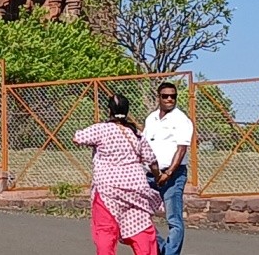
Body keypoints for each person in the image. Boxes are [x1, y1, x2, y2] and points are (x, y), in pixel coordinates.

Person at [75, 94, 163, 255]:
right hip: (136, 187)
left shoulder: (101, 129)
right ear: (127, 111)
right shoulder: (136, 134)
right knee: (141, 228)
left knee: (106, 231)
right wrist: (158, 177)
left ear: (109, 110)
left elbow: (78, 138)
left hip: (108, 188)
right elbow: (151, 160)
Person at [143, 81, 192, 255]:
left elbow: (182, 148)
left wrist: (168, 173)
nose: (169, 99)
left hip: (173, 175)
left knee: (174, 219)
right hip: (150, 175)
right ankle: (162, 248)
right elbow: (145, 146)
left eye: (173, 96)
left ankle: (171, 253)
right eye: (165, 96)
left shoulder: (182, 120)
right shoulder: (151, 119)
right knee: (141, 215)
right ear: (159, 97)